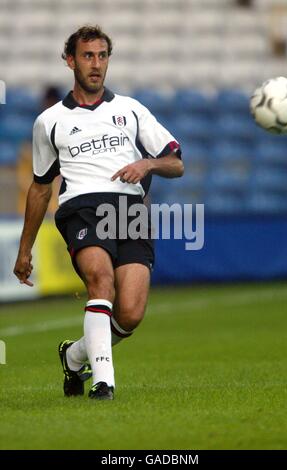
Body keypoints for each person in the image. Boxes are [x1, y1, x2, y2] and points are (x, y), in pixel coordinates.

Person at [13, 25, 184, 401]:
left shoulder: (131, 109)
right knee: (100, 281)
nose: (96, 64)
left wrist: (148, 165)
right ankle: (103, 382)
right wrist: (25, 249)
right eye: (88, 56)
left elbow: (176, 163)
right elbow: (41, 187)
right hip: (82, 209)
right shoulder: (50, 121)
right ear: (70, 61)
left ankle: (74, 356)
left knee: (131, 314)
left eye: (102, 55)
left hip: (131, 211)